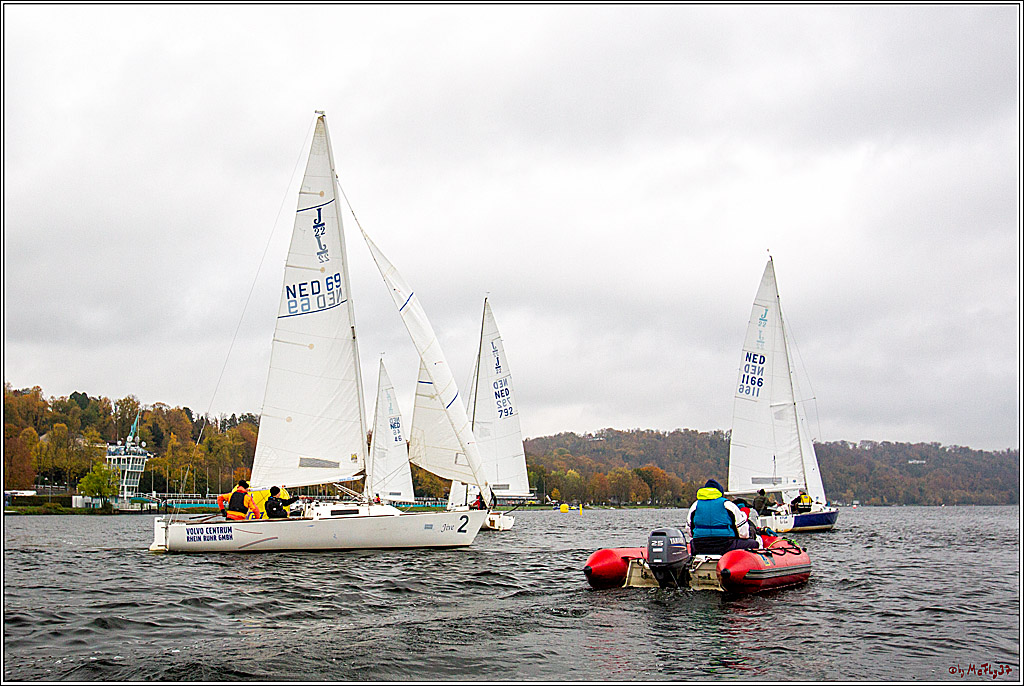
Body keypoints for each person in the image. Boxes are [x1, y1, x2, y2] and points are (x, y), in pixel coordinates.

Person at [687, 479, 760, 555]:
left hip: (700, 545)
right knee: (754, 544)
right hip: (725, 545)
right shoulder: (728, 504)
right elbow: (744, 534)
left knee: (692, 543)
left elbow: (690, 531)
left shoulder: (695, 505)